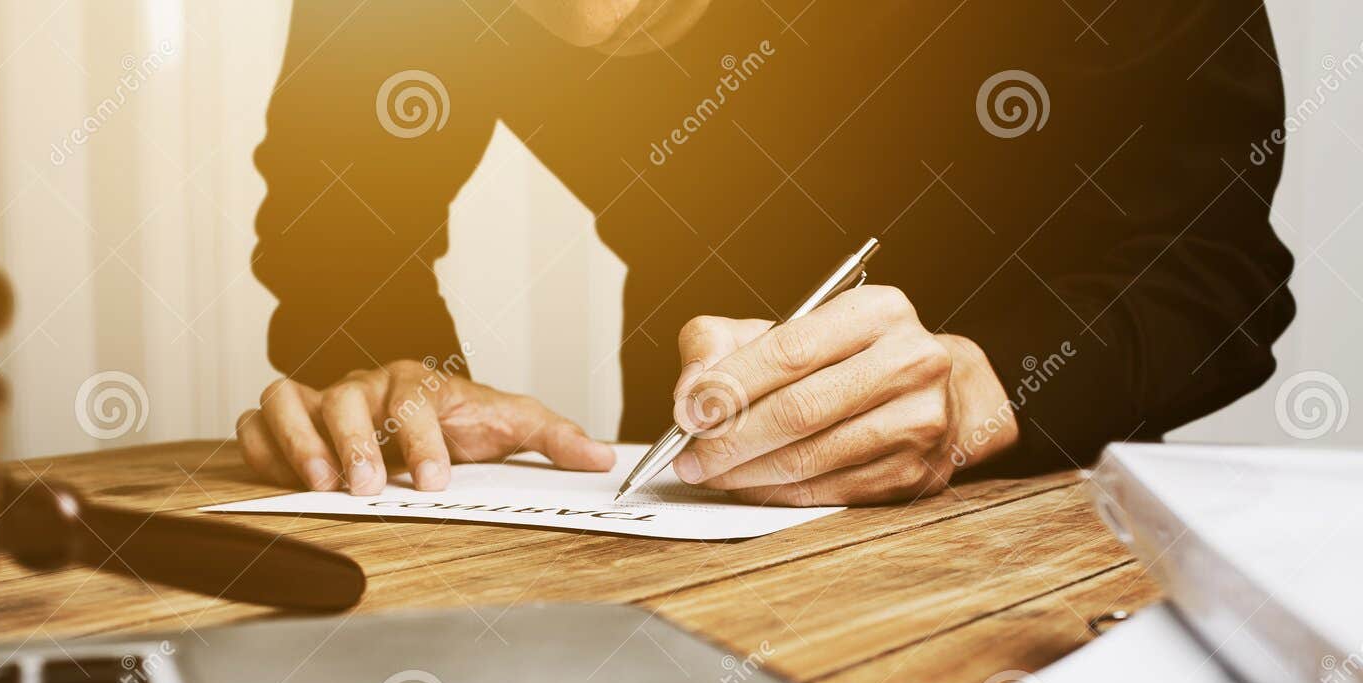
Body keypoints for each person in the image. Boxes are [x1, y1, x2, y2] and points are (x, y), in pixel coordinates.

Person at [237, 0, 1294, 506]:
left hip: (1041, 496)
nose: (597, 24)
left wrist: (995, 380)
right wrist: (399, 379)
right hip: (691, 487)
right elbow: (338, 228)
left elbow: (1216, 264)